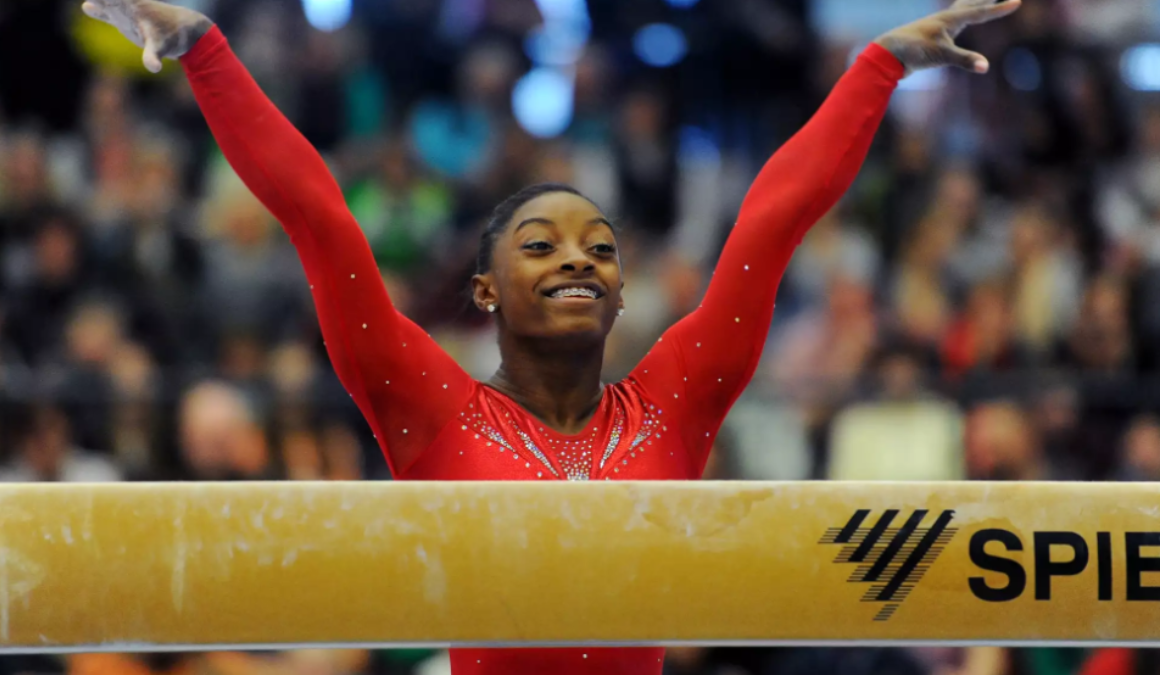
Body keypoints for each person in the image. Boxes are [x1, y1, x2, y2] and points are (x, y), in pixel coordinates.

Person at [80, 1, 1022, 673]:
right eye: (543, 244)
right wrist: (203, 50)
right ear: (485, 288)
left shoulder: (677, 401)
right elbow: (321, 219)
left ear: (619, 292)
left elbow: (769, 224)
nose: (580, 259)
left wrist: (876, 66)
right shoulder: (429, 410)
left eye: (601, 248)